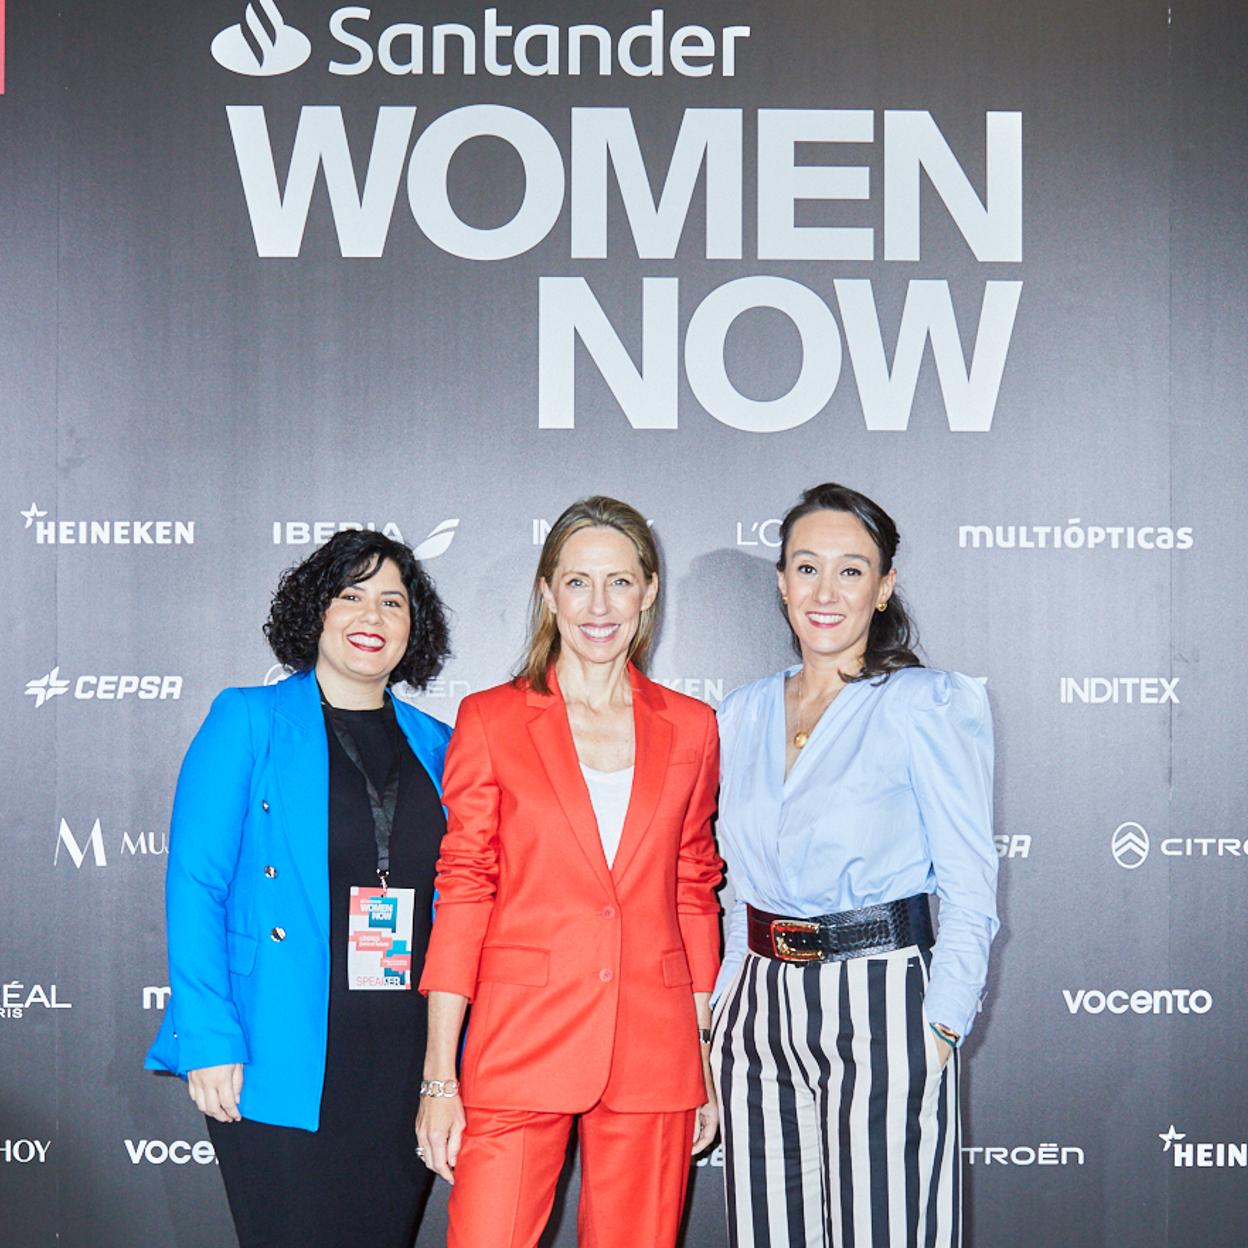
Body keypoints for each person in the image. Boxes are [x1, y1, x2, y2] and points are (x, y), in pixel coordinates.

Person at [415, 495, 722, 1248]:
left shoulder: (691, 726)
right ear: (548, 591)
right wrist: (439, 1076)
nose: (599, 605)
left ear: (650, 591)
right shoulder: (490, 721)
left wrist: (702, 1051)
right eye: (577, 581)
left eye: (620, 582)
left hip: (654, 1047)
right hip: (519, 1040)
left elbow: (693, 888)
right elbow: (464, 889)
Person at [145, 529, 453, 1248]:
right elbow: (195, 884)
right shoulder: (248, 720)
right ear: (315, 611)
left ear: (415, 626)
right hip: (273, 1044)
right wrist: (209, 1037)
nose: (371, 617)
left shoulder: (441, 742)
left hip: (400, 1054)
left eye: (391, 601)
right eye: (350, 596)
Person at [710, 483, 998, 1248]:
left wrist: (940, 1023)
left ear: (884, 587)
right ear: (781, 582)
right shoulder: (741, 713)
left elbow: (971, 883)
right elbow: (738, 888)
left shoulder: (925, 704)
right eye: (807, 568)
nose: (825, 591)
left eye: (850, 570)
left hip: (882, 998)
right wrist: (723, 1012)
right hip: (759, 1011)